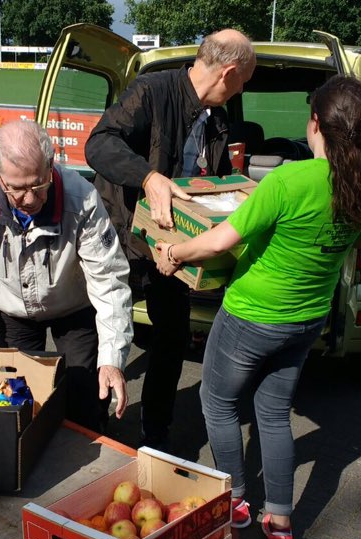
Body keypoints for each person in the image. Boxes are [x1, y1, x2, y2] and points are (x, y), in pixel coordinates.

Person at [153, 75, 361, 539]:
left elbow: (217, 242)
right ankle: (280, 521)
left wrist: (174, 251)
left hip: (252, 315)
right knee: (274, 414)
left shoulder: (286, 181)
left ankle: (235, 500)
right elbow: (358, 244)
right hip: (306, 320)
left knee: (218, 406)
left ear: (315, 124)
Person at [84, 29, 255, 450]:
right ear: (230, 73)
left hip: (172, 254)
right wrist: (148, 176)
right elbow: (99, 144)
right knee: (104, 332)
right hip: (122, 242)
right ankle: (92, 423)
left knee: (172, 338)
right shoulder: (152, 91)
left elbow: (206, 184)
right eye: (245, 80)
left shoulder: (218, 118)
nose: (244, 88)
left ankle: (154, 433)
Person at [0, 119, 133, 432]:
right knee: (19, 398)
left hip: (74, 305)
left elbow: (110, 281)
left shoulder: (82, 199)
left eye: (38, 185)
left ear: (51, 165)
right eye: (18, 188)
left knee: (84, 394)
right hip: (12, 309)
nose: (29, 199)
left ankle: (87, 453)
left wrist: (112, 358)